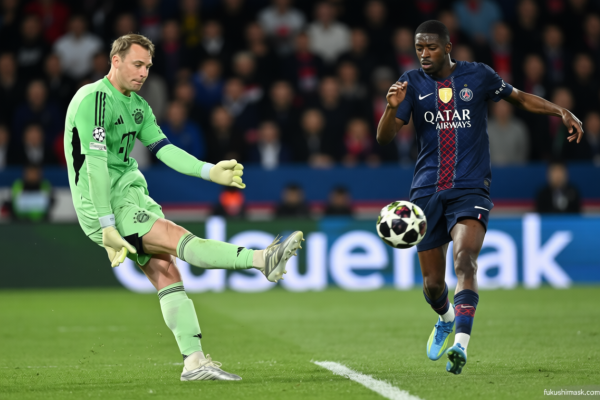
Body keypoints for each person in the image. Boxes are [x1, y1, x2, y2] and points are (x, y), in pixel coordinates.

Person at [63, 34, 304, 382]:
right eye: (137, 64)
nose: (143, 73)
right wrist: (106, 224)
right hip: (102, 201)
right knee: (177, 238)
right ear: (115, 60)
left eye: (148, 66)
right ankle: (262, 259)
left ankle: (194, 362)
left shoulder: (138, 106)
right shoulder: (94, 99)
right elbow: (96, 166)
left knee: (166, 271)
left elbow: (165, 150)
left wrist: (209, 171)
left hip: (131, 193)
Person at [376, 20, 584, 375]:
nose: (424, 54)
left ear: (448, 46)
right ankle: (445, 318)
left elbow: (520, 98)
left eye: (431, 47)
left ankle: (460, 344)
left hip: (470, 187)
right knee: (433, 284)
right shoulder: (410, 83)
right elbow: (384, 138)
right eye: (419, 47)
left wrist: (560, 110)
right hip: (426, 191)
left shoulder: (478, 75)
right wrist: (392, 108)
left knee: (465, 261)